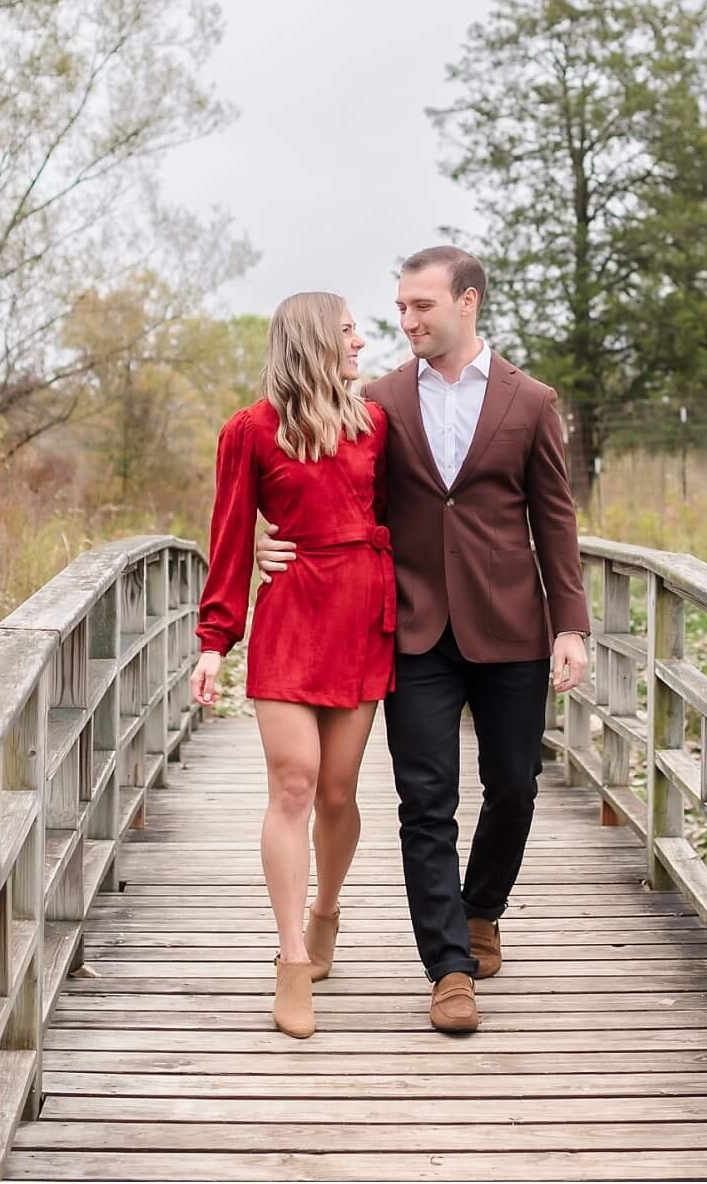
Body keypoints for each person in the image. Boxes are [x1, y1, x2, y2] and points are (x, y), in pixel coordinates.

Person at [258, 245, 589, 1035]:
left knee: (514, 783)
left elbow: (556, 519)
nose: (404, 321)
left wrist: (571, 623)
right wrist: (264, 541)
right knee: (425, 800)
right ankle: (448, 967)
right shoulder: (375, 403)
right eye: (399, 307)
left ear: (467, 302)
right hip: (411, 627)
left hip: (511, 622)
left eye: (421, 307)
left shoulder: (531, 400)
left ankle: (483, 908)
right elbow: (309, 477)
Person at [192, 292, 395, 1041]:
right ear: (313, 338)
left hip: (361, 620)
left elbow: (410, 513)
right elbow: (229, 536)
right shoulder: (248, 431)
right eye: (348, 331)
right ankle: (289, 959)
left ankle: (326, 912)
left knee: (338, 793)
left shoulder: (376, 423)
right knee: (296, 783)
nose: (361, 342)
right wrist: (215, 640)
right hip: (289, 621)